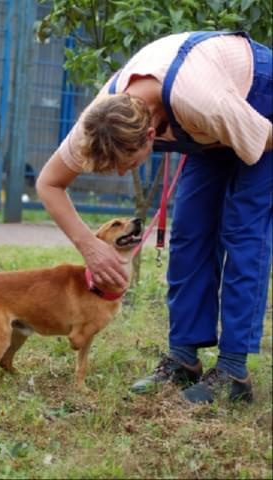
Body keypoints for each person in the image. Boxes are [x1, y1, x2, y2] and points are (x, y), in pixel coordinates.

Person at [36, 31, 272, 404]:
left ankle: (233, 373)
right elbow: (49, 183)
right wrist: (89, 246)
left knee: (243, 232)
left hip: (257, 99)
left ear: (151, 136)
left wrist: (238, 140)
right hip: (202, 113)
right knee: (189, 233)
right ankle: (183, 358)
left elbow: (264, 139)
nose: (117, 174)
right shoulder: (101, 119)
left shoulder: (204, 104)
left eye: (123, 165)